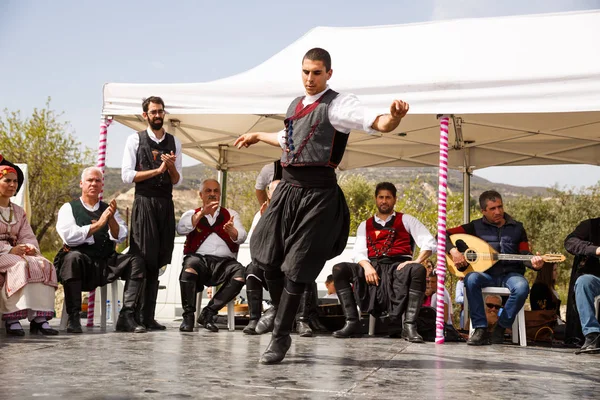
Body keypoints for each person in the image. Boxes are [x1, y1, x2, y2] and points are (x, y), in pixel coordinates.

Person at [234, 48, 409, 364]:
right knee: (265, 255)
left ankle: (280, 336)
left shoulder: (339, 104)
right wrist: (258, 135)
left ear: (328, 73)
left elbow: (376, 122)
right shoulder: (295, 104)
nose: (310, 79)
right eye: (305, 72)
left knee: (298, 268)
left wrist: (393, 117)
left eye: (316, 73)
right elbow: (287, 138)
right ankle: (279, 312)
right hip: (288, 191)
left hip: (318, 195)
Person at [331, 182, 435, 341]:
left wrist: (416, 261)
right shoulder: (365, 225)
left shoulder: (406, 220)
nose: (384, 201)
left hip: (398, 267)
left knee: (418, 270)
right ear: (375, 199)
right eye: (381, 197)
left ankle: (409, 326)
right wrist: (366, 266)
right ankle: (352, 322)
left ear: (394, 200)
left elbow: (429, 242)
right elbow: (358, 252)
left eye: (388, 197)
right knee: (339, 269)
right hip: (372, 266)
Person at [55, 167, 146, 333]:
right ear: (82, 183)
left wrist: (110, 219)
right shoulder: (69, 208)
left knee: (136, 261)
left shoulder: (108, 208)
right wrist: (98, 224)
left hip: (105, 262)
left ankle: (126, 316)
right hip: (81, 263)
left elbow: (121, 236)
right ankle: (74, 317)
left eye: (97, 180)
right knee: (72, 258)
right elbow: (69, 237)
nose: (94, 183)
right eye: (90, 180)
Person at [447, 190, 543, 345]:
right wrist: (453, 251)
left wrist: (534, 263)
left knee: (522, 287)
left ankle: (501, 327)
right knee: (471, 279)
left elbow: (524, 253)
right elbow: (443, 235)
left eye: (500, 207)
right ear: (483, 211)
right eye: (492, 209)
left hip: (511, 274)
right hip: (486, 274)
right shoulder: (474, 227)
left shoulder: (517, 228)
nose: (498, 211)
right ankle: (480, 329)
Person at [121, 96, 182, 331]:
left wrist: (171, 168)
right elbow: (127, 175)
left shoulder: (174, 142)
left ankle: (148, 316)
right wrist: (158, 170)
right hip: (144, 202)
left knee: (158, 260)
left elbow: (177, 180)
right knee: (142, 258)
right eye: (153, 112)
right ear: (145, 115)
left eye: (161, 111)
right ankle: (128, 316)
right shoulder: (135, 139)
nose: (158, 115)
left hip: (165, 203)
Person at [177, 179, 247, 332]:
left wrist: (232, 231)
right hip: (199, 260)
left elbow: (242, 236)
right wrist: (202, 213)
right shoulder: (192, 213)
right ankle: (188, 316)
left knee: (240, 274)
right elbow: (181, 229)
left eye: (216, 191)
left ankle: (208, 313)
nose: (212, 194)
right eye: (208, 191)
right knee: (189, 267)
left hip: (225, 263)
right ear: (201, 195)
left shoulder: (231, 214)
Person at [0, 165, 58, 336]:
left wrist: (30, 247)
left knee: (43, 264)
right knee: (19, 265)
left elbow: (27, 234)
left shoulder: (18, 211)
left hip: (16, 251)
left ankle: (40, 318)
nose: (12, 185)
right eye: (7, 180)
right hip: (4, 253)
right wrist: (9, 249)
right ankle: (12, 317)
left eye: (15, 181)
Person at [564, 218, 600, 354]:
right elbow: (570, 242)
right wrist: (595, 250)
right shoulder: (590, 226)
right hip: (596, 279)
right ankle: (592, 335)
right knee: (583, 282)